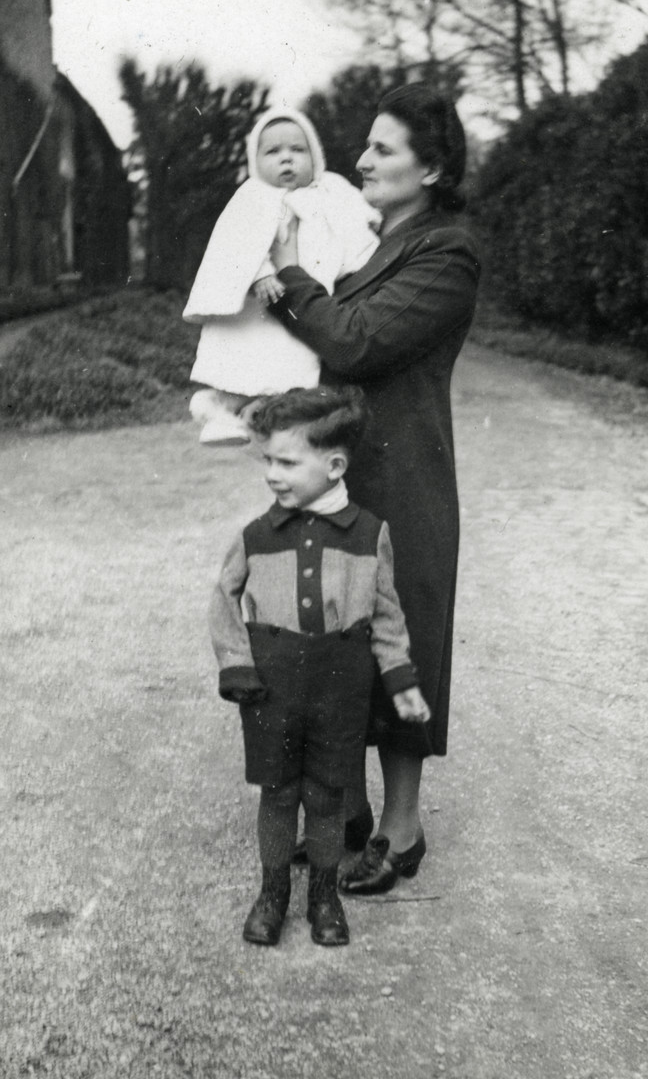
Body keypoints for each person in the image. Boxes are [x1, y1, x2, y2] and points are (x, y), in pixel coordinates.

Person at [267, 82, 481, 896]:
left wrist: (288, 274)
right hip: (340, 478)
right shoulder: (357, 242)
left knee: (400, 640)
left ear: (430, 167)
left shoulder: (447, 251)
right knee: (333, 636)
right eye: (365, 145)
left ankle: (402, 828)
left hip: (404, 481)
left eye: (384, 148)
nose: (361, 159)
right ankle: (348, 816)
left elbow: (354, 341)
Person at [208, 385, 430, 947]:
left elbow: (387, 614)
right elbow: (223, 599)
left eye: (287, 462)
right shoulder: (255, 537)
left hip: (341, 683)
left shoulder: (368, 534)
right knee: (278, 793)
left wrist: (400, 681)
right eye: (268, 461)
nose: (272, 474)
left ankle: (324, 896)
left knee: (329, 796)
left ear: (333, 466)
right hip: (271, 685)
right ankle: (273, 892)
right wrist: (237, 665)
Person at [182, 108, 379, 445]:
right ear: (256, 160)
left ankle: (258, 415)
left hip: (308, 298)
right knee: (249, 360)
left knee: (294, 367)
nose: (287, 160)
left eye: (298, 150)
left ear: (315, 155)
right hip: (260, 303)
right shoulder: (253, 196)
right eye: (273, 152)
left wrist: (370, 225)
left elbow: (358, 219)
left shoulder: (331, 189)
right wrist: (259, 273)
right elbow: (236, 242)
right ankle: (216, 407)